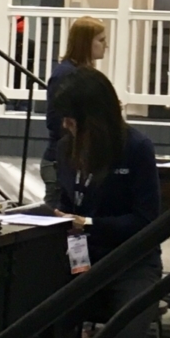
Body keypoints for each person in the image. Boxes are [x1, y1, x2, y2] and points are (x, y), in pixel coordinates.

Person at [46, 67, 161, 338]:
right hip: (81, 264)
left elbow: (146, 221)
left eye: (72, 120)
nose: (67, 127)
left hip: (132, 265)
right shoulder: (65, 149)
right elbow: (64, 202)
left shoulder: (136, 148)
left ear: (94, 116)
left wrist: (89, 223)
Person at [42, 17, 108, 207]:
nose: (106, 45)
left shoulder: (83, 73)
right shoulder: (65, 74)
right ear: (85, 42)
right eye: (101, 40)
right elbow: (55, 120)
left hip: (76, 160)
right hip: (61, 161)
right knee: (57, 217)